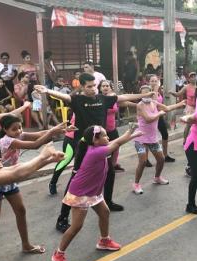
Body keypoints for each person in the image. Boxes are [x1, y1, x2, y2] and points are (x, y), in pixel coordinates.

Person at [35, 73, 153, 231]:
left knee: (109, 172)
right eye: (89, 86)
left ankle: (109, 202)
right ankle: (62, 218)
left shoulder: (102, 99)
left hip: (102, 144)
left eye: (94, 86)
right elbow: (64, 97)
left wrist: (144, 94)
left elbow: (122, 97)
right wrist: (47, 91)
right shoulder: (78, 100)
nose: (92, 89)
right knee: (75, 180)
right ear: (82, 87)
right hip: (84, 146)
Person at [51, 125, 142, 261]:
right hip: (81, 193)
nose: (108, 138)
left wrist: (130, 135)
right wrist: (129, 132)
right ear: (95, 139)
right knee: (76, 226)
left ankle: (104, 240)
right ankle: (58, 254)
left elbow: (115, 142)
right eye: (105, 136)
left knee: (104, 212)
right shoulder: (96, 152)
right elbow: (117, 143)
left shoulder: (98, 148)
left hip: (92, 192)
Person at [0, 118, 70, 253]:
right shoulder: (6, 140)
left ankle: (26, 245)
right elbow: (35, 145)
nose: (19, 131)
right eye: (14, 129)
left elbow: (41, 134)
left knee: (21, 211)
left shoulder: (18, 135)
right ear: (5, 130)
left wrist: (59, 130)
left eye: (20, 127)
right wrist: (53, 131)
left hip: (11, 179)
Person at [132, 84, 185, 194]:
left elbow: (166, 108)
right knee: (142, 162)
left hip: (152, 139)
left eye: (149, 92)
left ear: (152, 93)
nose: (147, 94)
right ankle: (136, 184)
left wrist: (179, 104)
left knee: (161, 159)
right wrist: (160, 113)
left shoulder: (154, 103)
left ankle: (157, 177)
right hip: (140, 139)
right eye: (144, 92)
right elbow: (148, 119)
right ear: (141, 94)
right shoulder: (140, 105)